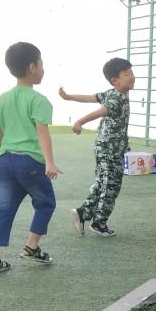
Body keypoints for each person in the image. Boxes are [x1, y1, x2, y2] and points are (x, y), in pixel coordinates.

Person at [0, 42, 61, 275]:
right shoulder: (39, 100)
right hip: (31, 163)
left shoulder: (4, 98)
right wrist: (50, 162)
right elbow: (42, 132)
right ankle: (31, 247)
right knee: (46, 203)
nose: (43, 68)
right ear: (32, 67)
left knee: (1, 208)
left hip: (6, 160)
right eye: (42, 63)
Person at [59, 58, 135, 237]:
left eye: (132, 72)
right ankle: (99, 223)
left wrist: (69, 97)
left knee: (103, 182)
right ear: (115, 80)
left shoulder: (112, 93)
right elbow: (100, 111)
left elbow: (89, 98)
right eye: (127, 74)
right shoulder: (116, 97)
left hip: (106, 147)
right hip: (110, 149)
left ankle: (83, 212)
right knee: (111, 186)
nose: (132, 77)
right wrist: (80, 121)